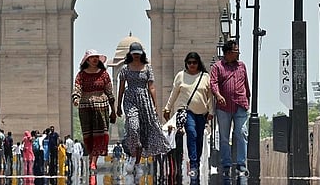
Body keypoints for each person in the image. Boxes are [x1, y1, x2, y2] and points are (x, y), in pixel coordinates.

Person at [116, 42, 170, 177]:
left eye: (138, 54)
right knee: (133, 128)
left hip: (145, 101)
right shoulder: (125, 69)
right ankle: (133, 155)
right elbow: (121, 87)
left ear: (142, 54)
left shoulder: (148, 68)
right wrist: (118, 106)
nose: (136, 56)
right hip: (130, 99)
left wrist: (155, 106)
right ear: (130, 54)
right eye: (133, 54)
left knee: (144, 131)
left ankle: (138, 161)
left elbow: (151, 87)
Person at [163, 52, 214, 183]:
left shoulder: (205, 77)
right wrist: (167, 108)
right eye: (189, 62)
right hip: (186, 111)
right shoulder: (180, 76)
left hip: (202, 113)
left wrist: (211, 111)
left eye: (194, 62)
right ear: (186, 63)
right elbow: (174, 93)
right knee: (191, 133)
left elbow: (210, 96)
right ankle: (193, 163)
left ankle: (195, 159)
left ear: (198, 63)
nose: (192, 65)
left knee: (199, 139)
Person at [210, 40, 250, 180]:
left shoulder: (242, 66)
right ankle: (226, 164)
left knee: (241, 133)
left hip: (240, 105)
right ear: (228, 53)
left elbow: (246, 84)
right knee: (224, 137)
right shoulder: (217, 67)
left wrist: (247, 100)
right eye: (236, 51)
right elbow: (213, 83)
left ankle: (241, 164)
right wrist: (218, 95)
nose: (238, 53)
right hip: (224, 107)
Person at [72, 49, 116, 172]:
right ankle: (92, 157)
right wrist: (76, 98)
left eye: (96, 57)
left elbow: (110, 93)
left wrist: (113, 111)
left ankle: (93, 162)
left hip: (101, 108)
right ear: (87, 60)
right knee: (88, 135)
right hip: (85, 108)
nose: (95, 59)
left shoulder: (104, 74)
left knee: (100, 135)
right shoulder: (81, 75)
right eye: (92, 57)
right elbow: (77, 88)